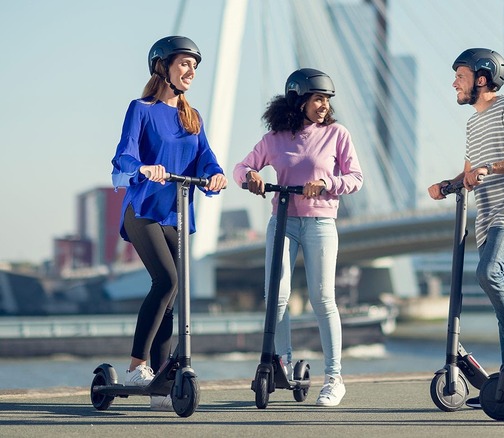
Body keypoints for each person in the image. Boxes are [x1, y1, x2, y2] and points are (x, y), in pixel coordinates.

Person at [110, 35, 228, 411]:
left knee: (172, 297)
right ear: (162, 67)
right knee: (168, 280)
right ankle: (136, 367)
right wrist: (144, 168)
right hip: (143, 209)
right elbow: (123, 157)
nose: (191, 70)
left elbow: (205, 159)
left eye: (195, 65)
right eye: (184, 63)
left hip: (176, 213)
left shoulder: (192, 117)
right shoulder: (141, 109)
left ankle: (160, 379)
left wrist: (216, 175)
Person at [233, 68, 363, 407]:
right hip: (283, 221)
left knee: (323, 299)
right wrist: (251, 178)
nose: (324, 105)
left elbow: (355, 178)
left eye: (327, 99)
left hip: (321, 222)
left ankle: (334, 379)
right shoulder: (275, 139)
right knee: (277, 295)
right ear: (299, 100)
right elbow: (241, 168)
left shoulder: (337, 134)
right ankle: (283, 362)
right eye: (318, 98)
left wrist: (328, 184)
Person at [427, 48, 504, 409]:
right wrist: (447, 184)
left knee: (489, 272)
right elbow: (469, 172)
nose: (454, 84)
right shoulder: (473, 123)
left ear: (481, 78)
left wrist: (489, 169)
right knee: (502, 291)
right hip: (488, 217)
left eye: (459, 76)